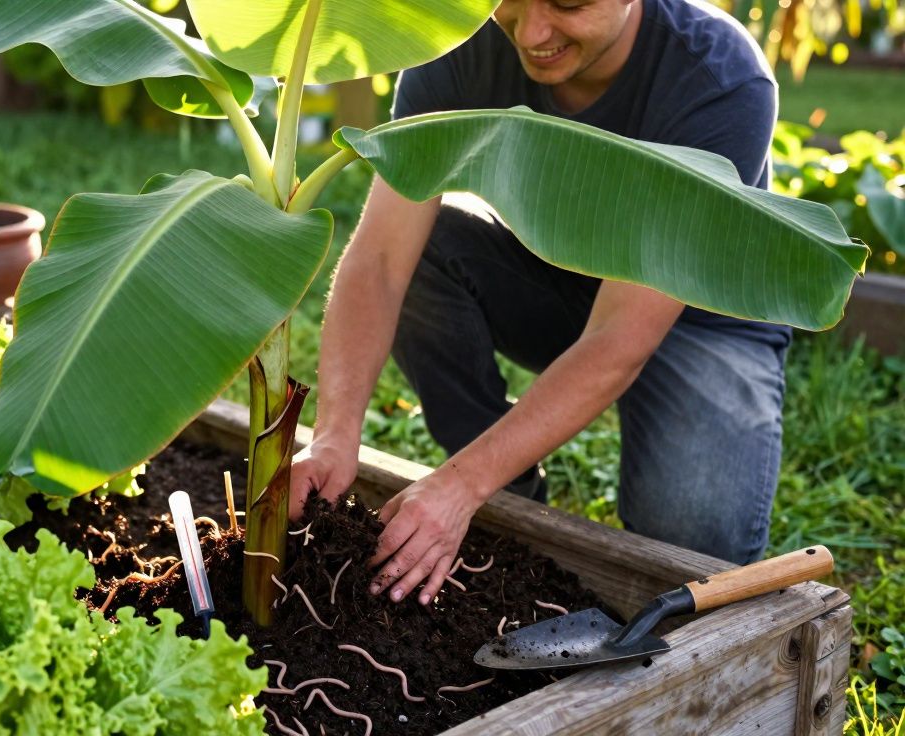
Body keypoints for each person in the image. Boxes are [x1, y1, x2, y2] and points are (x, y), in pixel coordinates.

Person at [289, 0, 786, 606]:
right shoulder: (458, 42)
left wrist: (460, 484)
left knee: (692, 540)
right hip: (552, 283)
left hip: (701, 323)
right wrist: (333, 437)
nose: (533, 33)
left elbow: (619, 337)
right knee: (428, 246)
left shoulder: (718, 79)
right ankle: (512, 494)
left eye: (568, 4)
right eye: (509, 3)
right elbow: (381, 260)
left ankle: (478, 485)